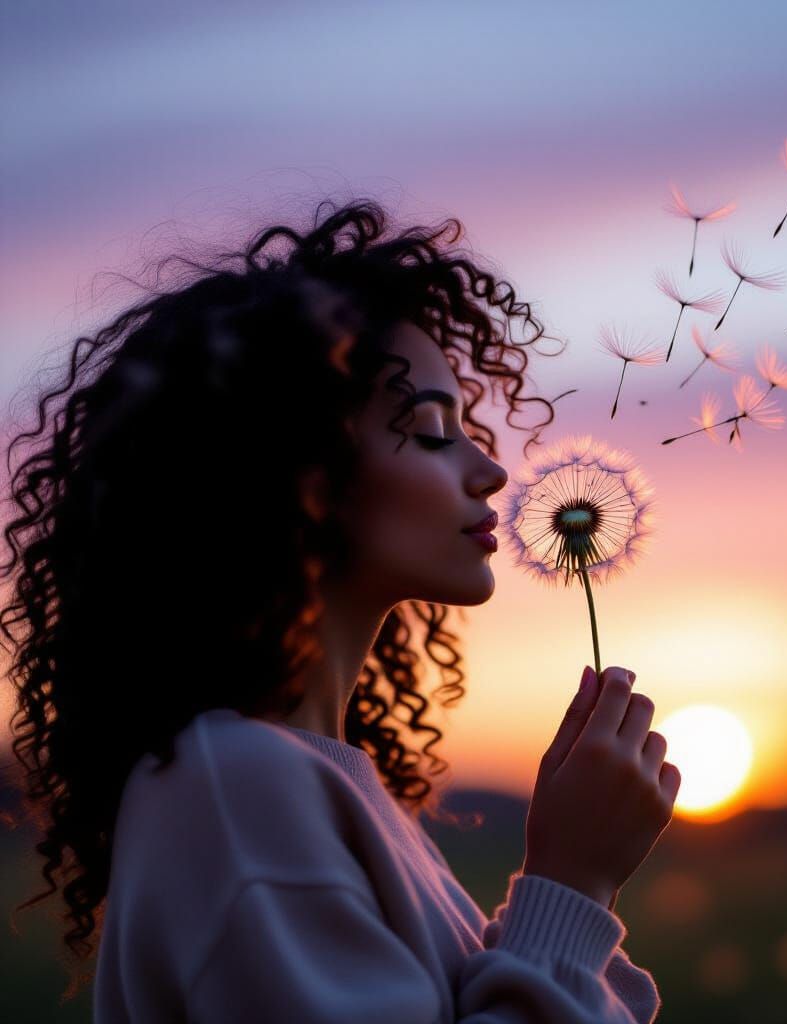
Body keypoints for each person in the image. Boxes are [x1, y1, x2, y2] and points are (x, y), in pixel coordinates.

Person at [1, 197, 680, 1022]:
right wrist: (573, 883)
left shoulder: (312, 787)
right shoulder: (234, 782)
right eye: (432, 429)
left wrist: (574, 893)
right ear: (292, 467)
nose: (491, 471)